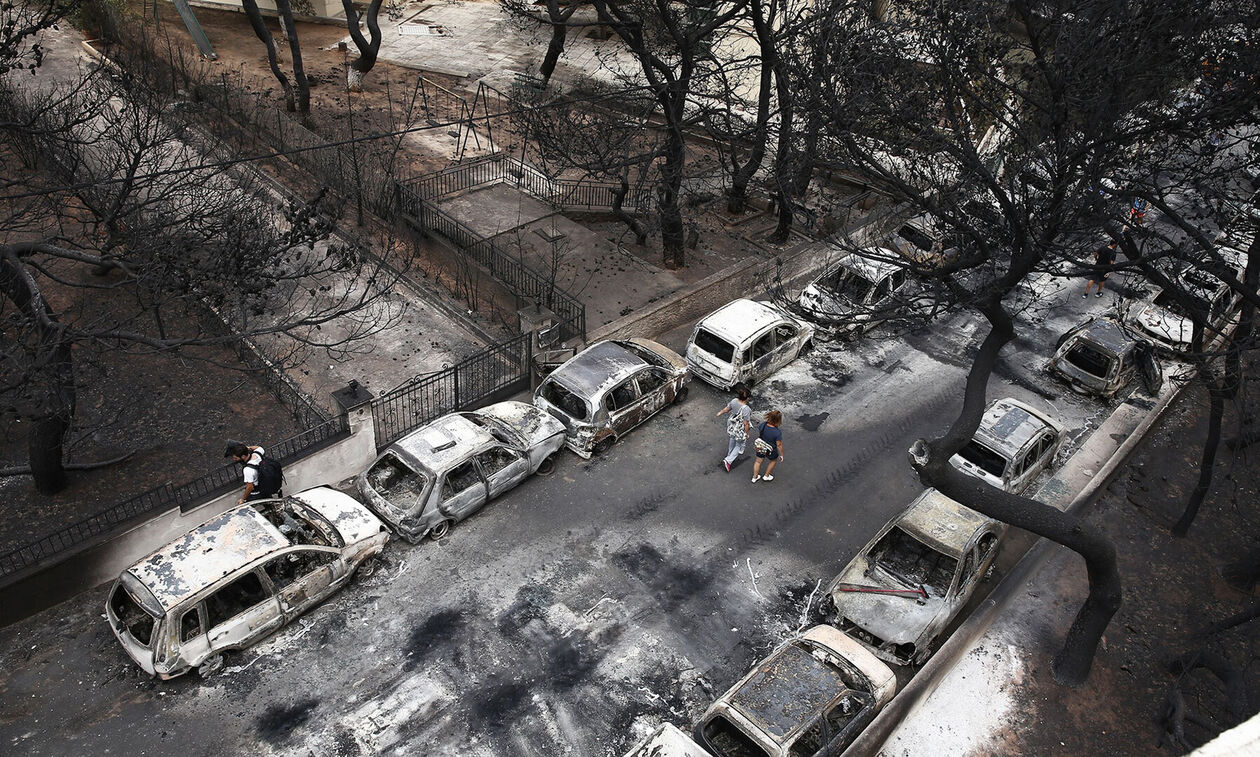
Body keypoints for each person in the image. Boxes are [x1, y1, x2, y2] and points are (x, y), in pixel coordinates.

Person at [716, 386, 752, 472]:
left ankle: (729, 454)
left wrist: (720, 413)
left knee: (732, 438)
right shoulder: (746, 409)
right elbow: (746, 423)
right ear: (747, 398)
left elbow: (727, 409)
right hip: (739, 428)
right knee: (739, 445)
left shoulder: (734, 401)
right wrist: (747, 433)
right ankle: (728, 461)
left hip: (732, 424)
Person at [751, 410, 784, 483]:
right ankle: (766, 476)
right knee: (773, 461)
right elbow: (779, 445)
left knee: (758, 462)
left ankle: (755, 477)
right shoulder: (777, 432)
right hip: (771, 449)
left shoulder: (763, 425)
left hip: (761, 446)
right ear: (778, 420)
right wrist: (781, 455)